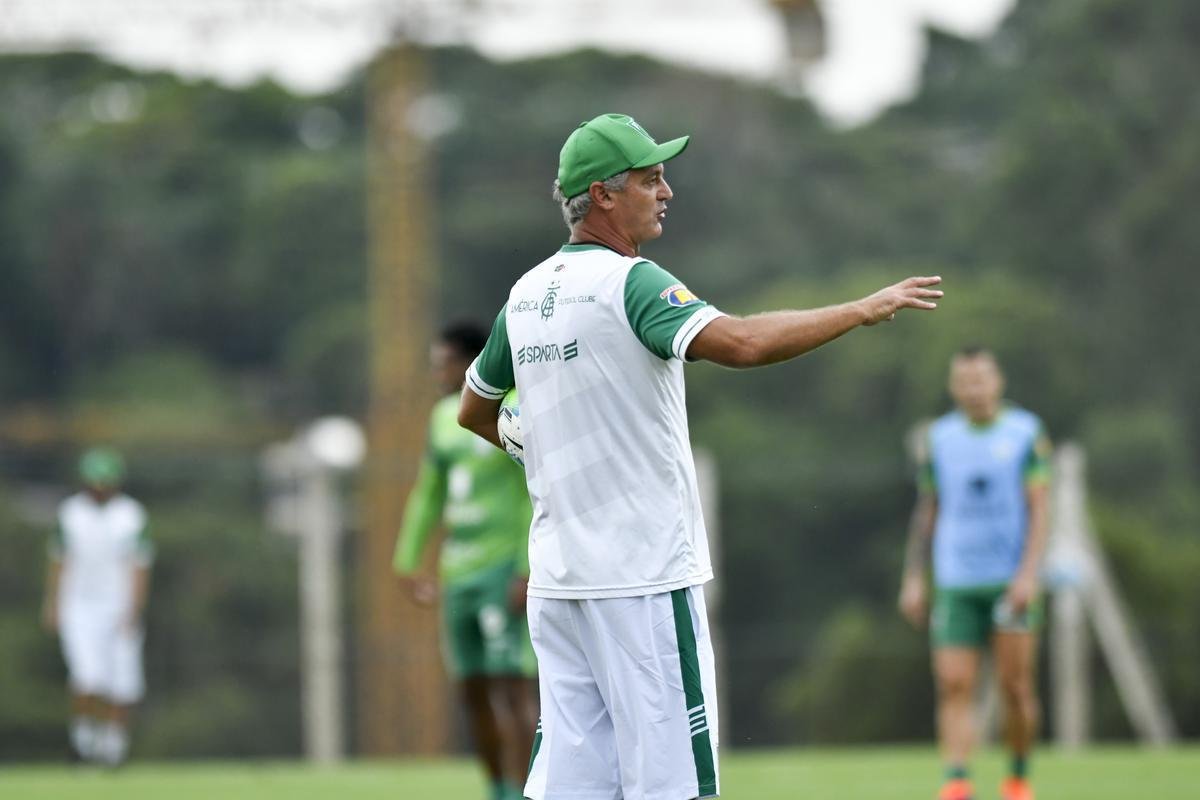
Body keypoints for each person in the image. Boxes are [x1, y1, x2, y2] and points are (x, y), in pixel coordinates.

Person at [457, 112, 943, 800]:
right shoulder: (633, 282)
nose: (667, 191)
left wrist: (529, 435)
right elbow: (742, 343)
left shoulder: (524, 295)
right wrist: (860, 310)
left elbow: (475, 409)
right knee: (674, 786)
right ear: (603, 194)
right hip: (643, 579)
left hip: (561, 584)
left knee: (573, 787)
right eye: (651, 178)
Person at [898, 348, 1051, 800]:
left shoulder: (1025, 432)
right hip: (956, 580)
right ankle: (957, 781)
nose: (974, 388)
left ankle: (1018, 776)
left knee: (1016, 688)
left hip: (1009, 581)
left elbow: (1040, 509)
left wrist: (1028, 575)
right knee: (953, 683)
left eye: (982, 378)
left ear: (998, 382)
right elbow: (929, 510)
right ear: (953, 387)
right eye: (965, 380)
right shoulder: (940, 439)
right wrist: (913, 577)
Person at [394, 321, 539, 800]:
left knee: (513, 685)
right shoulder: (441, 417)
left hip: (503, 569)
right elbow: (429, 492)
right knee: (472, 689)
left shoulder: (515, 407)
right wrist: (408, 560)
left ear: (473, 361)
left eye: (445, 363)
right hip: (459, 572)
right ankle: (497, 788)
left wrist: (524, 566)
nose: (438, 373)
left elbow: (529, 492)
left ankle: (527, 789)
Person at [41, 447, 153, 766]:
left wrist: (134, 608)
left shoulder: (132, 515)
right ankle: (82, 743)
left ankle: (113, 749)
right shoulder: (70, 514)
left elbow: (140, 565)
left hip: (119, 607)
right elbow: (59, 561)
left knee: (124, 684)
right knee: (88, 677)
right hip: (79, 607)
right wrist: (53, 604)